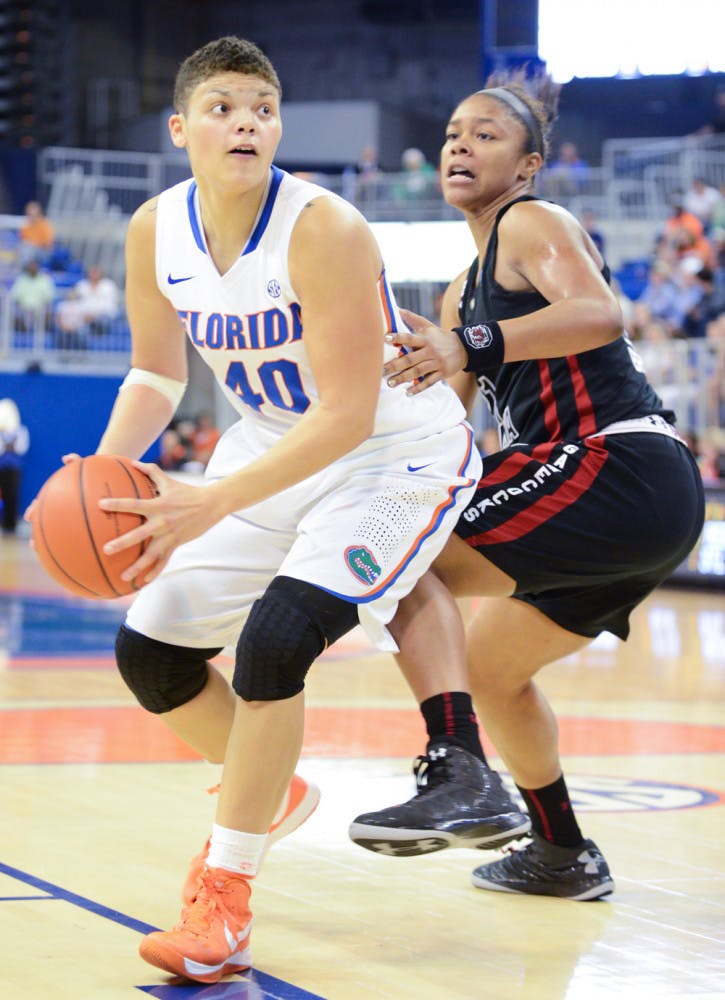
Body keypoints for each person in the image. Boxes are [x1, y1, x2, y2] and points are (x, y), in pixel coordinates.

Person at [29, 36, 500, 984]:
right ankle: (269, 786)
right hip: (274, 441)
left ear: (277, 128)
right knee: (148, 651)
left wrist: (209, 501)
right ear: (181, 130)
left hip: (389, 453)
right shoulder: (152, 229)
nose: (246, 122)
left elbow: (347, 411)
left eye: (261, 108)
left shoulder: (323, 226)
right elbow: (157, 371)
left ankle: (225, 898)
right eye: (223, 107)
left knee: (278, 639)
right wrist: (112, 471)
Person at [348, 68, 705, 902]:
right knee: (486, 669)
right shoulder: (456, 295)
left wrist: (466, 345)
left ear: (529, 163)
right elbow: (441, 431)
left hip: (616, 465)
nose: (459, 146)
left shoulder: (530, 221)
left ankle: (460, 775)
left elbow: (599, 313)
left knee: (403, 555)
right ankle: (560, 853)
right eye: (449, 135)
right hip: (609, 498)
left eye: (484, 134)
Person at [0, 398, 30, 535]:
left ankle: (10, 524)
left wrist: (11, 444)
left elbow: (21, 448)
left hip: (13, 469)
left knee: (12, 495)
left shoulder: (20, 431)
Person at [8, 259, 56, 332]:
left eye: (34, 267)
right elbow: (14, 296)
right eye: (31, 267)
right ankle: (23, 334)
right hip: (23, 309)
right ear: (28, 268)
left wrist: (40, 307)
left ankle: (42, 334)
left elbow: (50, 297)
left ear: (38, 267)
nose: (32, 268)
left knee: (48, 314)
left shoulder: (45, 279)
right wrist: (22, 306)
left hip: (40, 309)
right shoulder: (22, 279)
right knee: (14, 315)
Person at [17, 200, 55, 266]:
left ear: (38, 214)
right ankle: (23, 270)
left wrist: (33, 244)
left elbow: (48, 245)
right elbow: (22, 240)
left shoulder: (44, 225)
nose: (30, 216)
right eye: (29, 214)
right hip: (28, 251)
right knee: (22, 248)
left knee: (28, 249)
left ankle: (25, 271)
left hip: (43, 252)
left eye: (32, 214)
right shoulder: (26, 226)